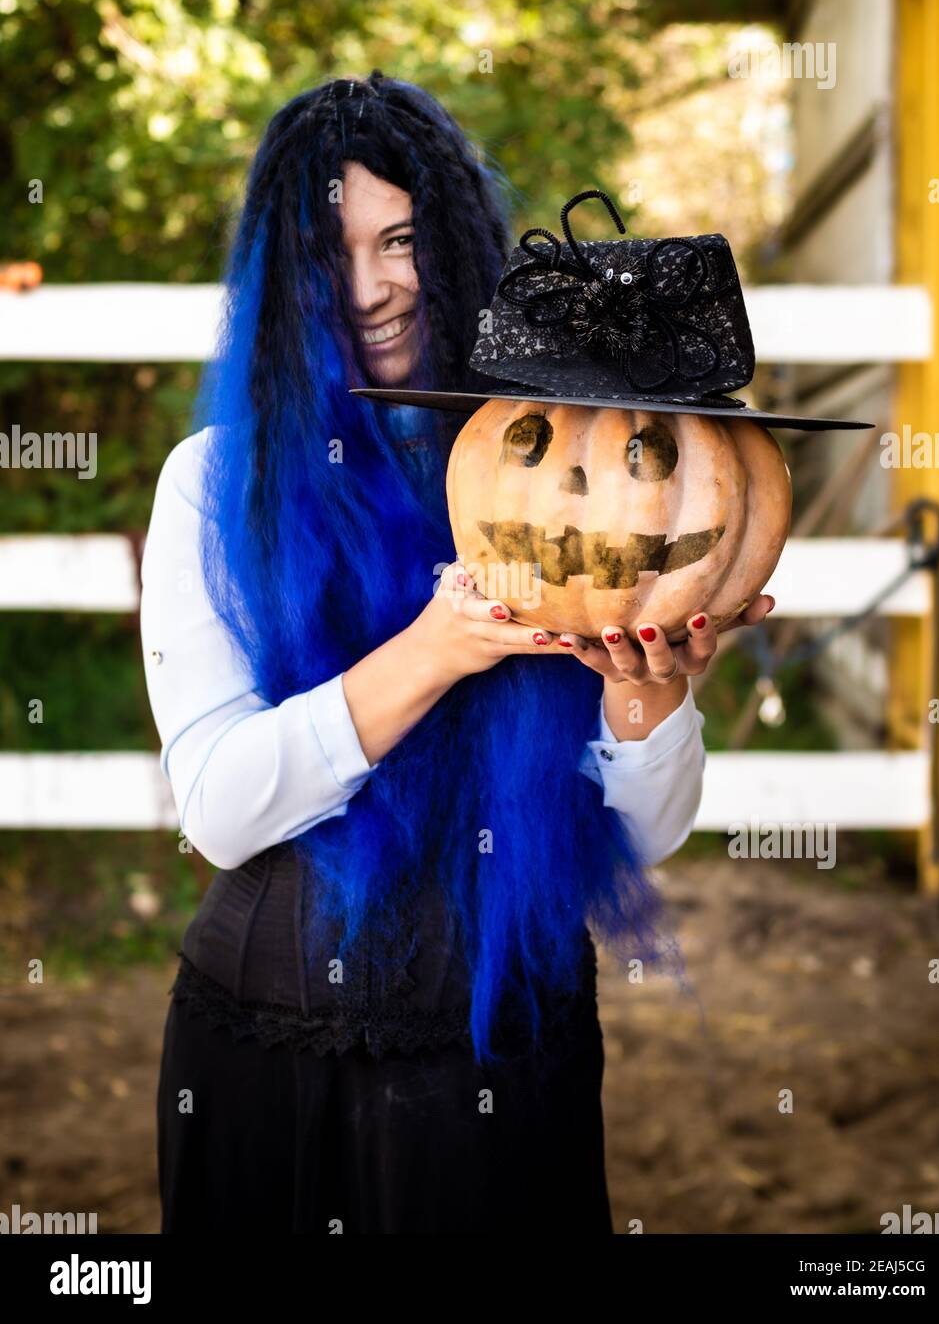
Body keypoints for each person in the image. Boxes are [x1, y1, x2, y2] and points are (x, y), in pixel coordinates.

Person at [141, 70, 771, 1235]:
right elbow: (221, 809)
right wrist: (438, 649)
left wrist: (653, 695)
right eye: (334, 252)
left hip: (508, 1058)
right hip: (271, 1056)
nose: (374, 288)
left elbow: (646, 833)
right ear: (284, 280)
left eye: (403, 240)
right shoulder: (215, 484)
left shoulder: (556, 476)